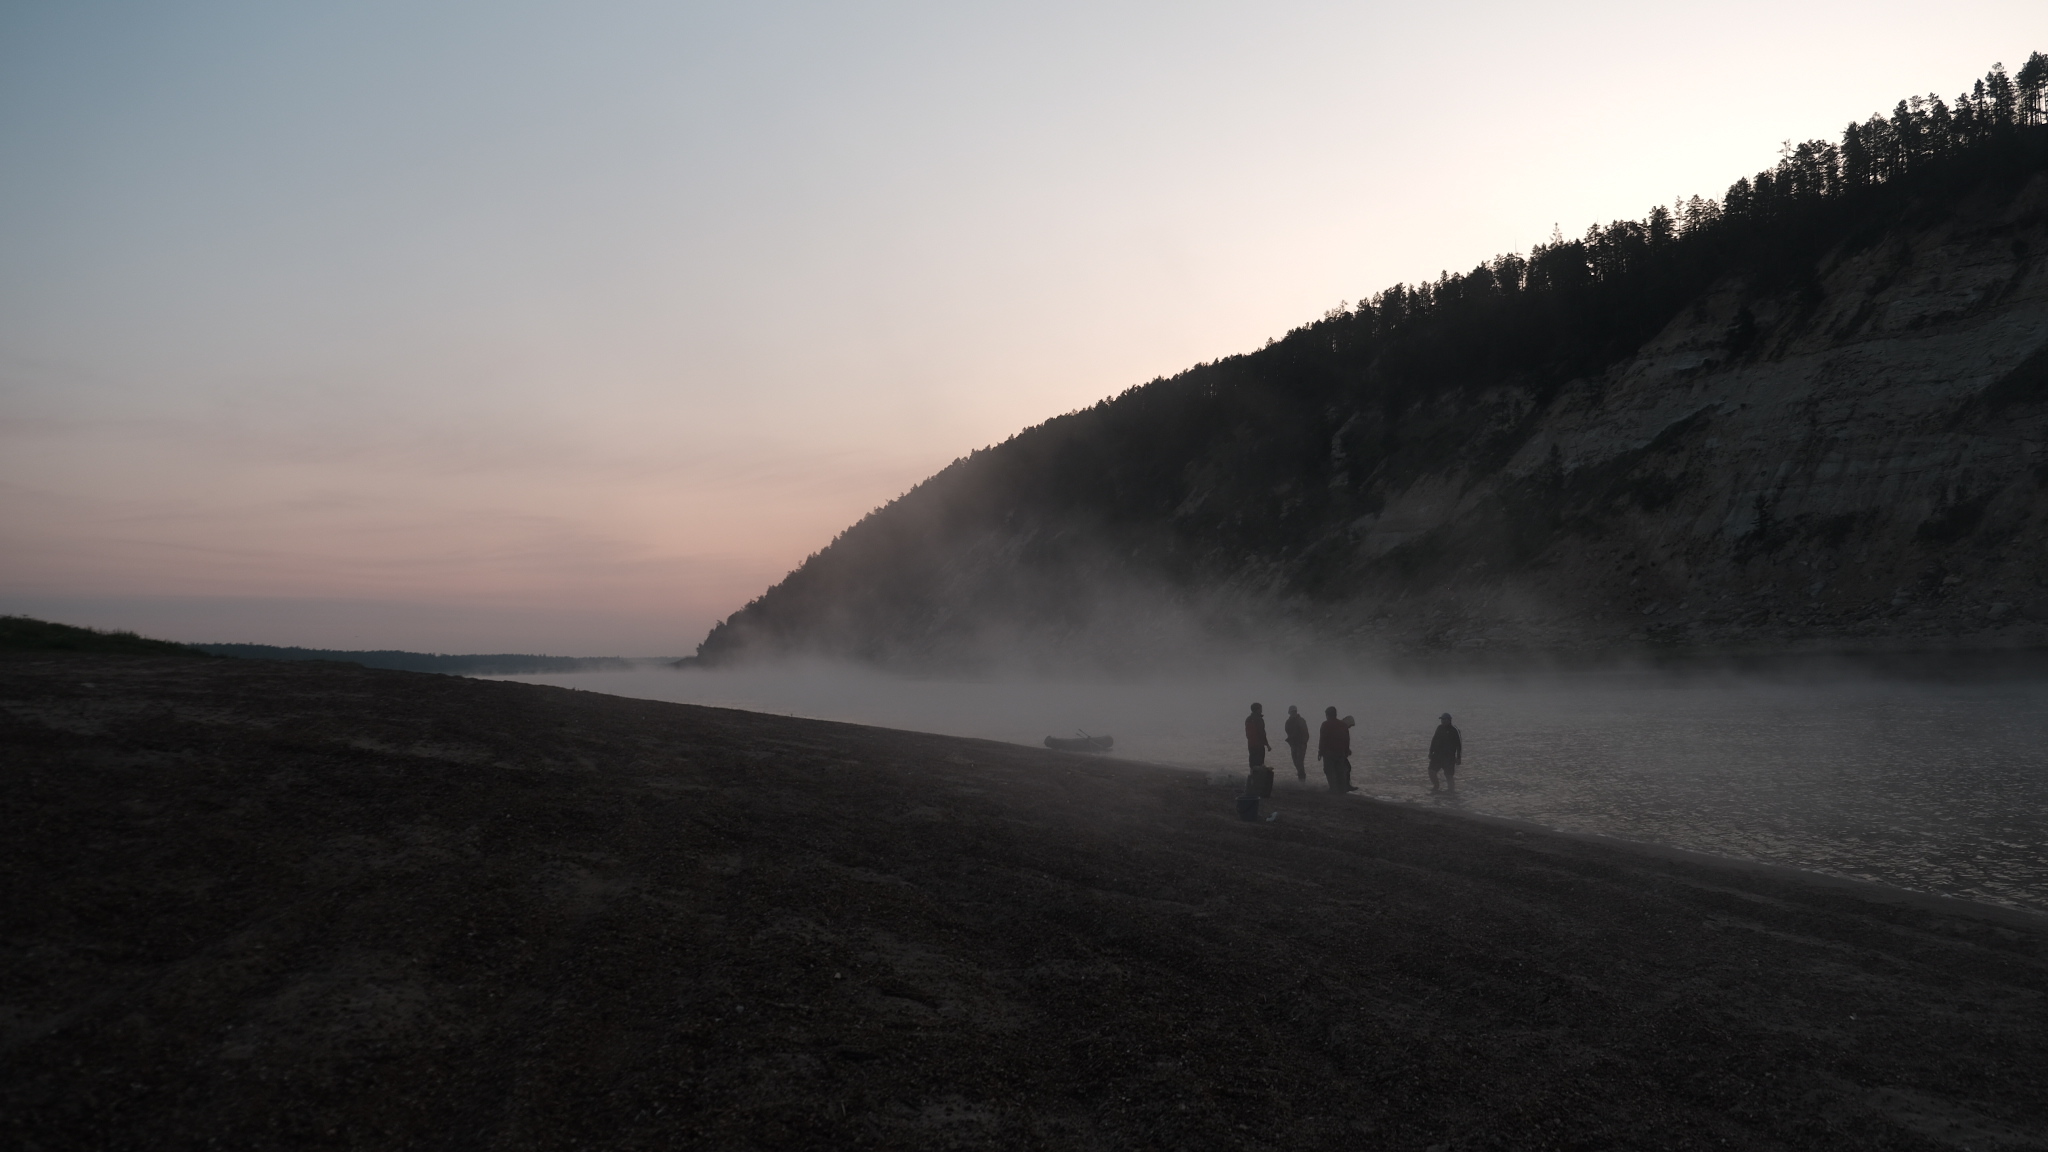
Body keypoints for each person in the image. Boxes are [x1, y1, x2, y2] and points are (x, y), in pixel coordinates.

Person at [1317, 706, 1356, 793]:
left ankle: (1333, 789)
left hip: (1329, 752)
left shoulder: (1325, 724)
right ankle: (1342, 789)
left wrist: (1320, 751)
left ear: (1327, 715)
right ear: (1335, 714)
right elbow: (1347, 739)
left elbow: (1322, 739)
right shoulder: (1343, 725)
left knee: (1329, 771)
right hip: (1340, 752)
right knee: (1340, 771)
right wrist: (1346, 750)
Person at [1244, 703, 1274, 798]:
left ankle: (1252, 783)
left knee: (1253, 764)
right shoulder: (1259, 719)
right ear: (1257, 709)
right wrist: (1267, 744)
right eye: (1260, 708)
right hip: (1259, 745)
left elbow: (1247, 734)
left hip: (1251, 745)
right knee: (1260, 764)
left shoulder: (1248, 719)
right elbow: (1262, 733)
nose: (1261, 710)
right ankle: (1258, 785)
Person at [1429, 712, 1462, 793]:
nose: (1442, 721)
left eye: (1444, 719)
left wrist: (1458, 757)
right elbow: (1434, 740)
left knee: (1449, 776)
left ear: (1449, 720)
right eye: (1442, 720)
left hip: (1449, 757)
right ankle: (1436, 786)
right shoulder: (1439, 728)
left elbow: (1459, 745)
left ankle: (1451, 791)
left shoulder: (1454, 730)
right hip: (1437, 755)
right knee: (1431, 771)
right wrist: (1430, 752)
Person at [1282, 705, 1310, 781]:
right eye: (1292, 712)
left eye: (1294, 712)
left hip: (1300, 745)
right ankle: (1301, 778)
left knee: (1299, 762)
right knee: (1296, 762)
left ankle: (1302, 779)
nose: (1293, 713)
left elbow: (1305, 733)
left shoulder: (1301, 720)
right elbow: (1288, 732)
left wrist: (1303, 743)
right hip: (1294, 745)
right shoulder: (1288, 722)